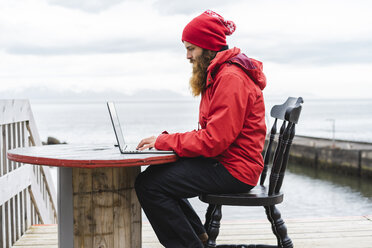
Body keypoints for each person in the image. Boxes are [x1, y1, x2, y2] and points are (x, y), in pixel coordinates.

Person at [135, 10, 267, 248]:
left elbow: (214, 141)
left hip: (236, 169)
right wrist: (165, 141)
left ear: (208, 48)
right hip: (228, 160)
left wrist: (163, 142)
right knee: (154, 177)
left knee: (150, 186)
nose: (187, 56)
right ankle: (199, 238)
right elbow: (213, 135)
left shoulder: (230, 78)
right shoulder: (220, 74)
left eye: (191, 48)